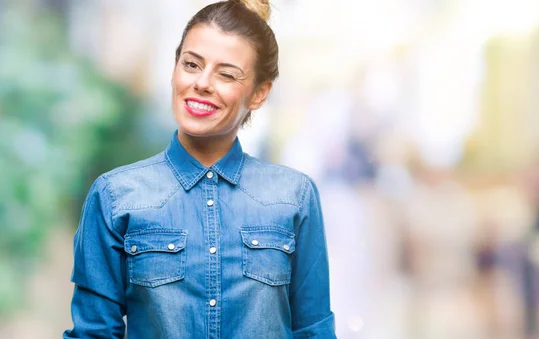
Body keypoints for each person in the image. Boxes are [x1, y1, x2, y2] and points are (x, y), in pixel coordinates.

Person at [63, 1, 336, 338]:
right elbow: (94, 333)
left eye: (226, 74)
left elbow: (314, 329)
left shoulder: (295, 196)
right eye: (191, 64)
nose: (202, 83)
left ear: (259, 93)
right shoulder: (115, 196)